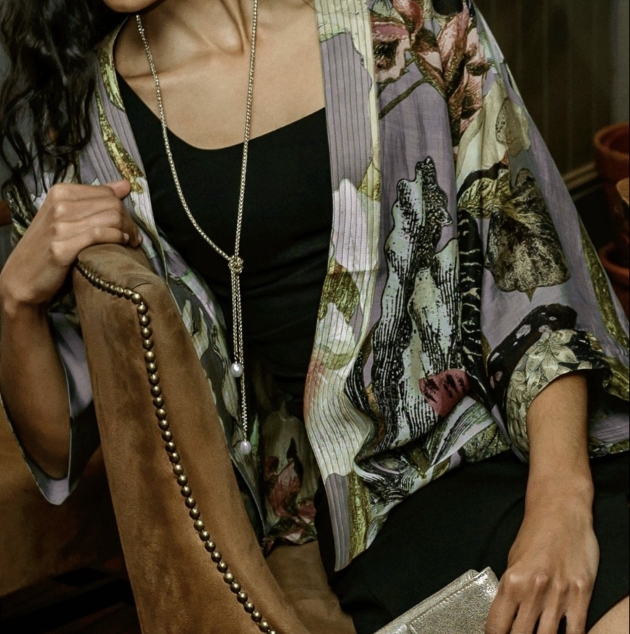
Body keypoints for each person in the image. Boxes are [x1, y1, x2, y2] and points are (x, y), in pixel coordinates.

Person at [0, 1, 628, 633]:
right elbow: (62, 445)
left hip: (547, 445)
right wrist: (16, 301)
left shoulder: (410, 17)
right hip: (382, 512)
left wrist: (562, 503)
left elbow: (535, 280)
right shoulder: (75, 124)